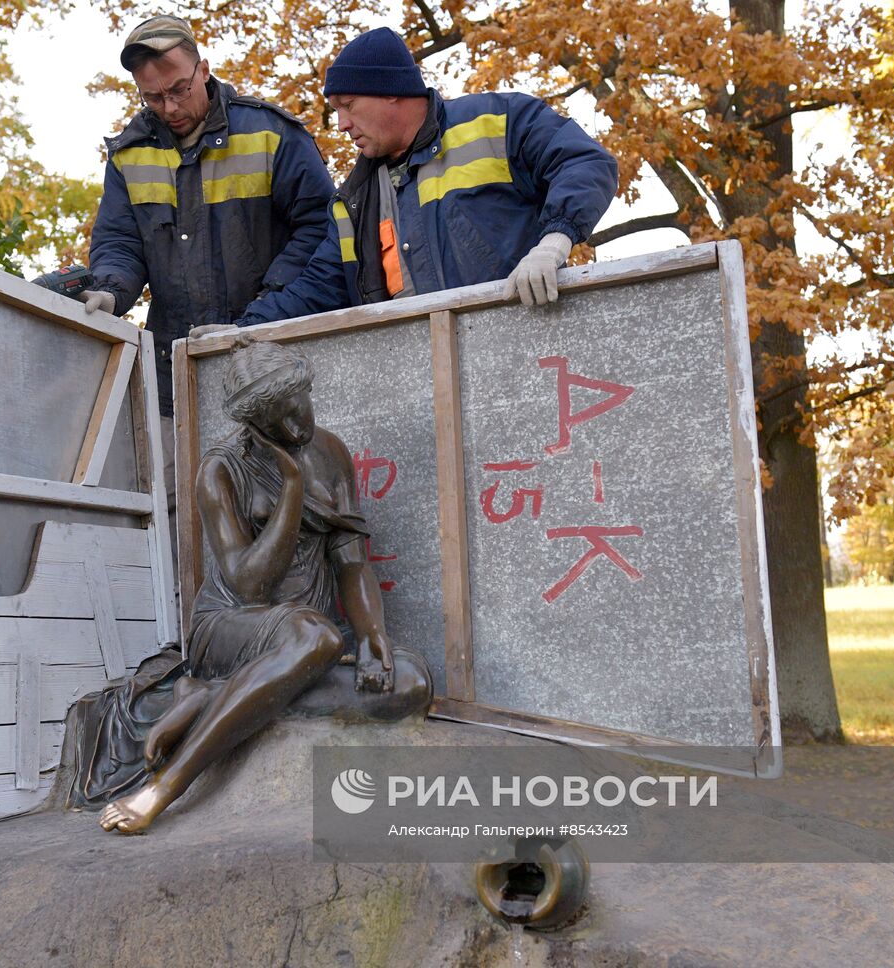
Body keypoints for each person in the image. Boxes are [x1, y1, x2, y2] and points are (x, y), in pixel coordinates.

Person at [96, 338, 431, 833]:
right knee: (315, 636)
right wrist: (291, 488)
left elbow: (352, 561)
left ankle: (211, 699)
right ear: (252, 424)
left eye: (300, 408)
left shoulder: (333, 453)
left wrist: (371, 634)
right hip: (234, 625)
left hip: (305, 637)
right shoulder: (220, 470)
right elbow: (250, 583)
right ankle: (166, 785)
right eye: (279, 420)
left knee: (410, 682)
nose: (297, 427)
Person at [231, 26, 618, 327]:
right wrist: (239, 332)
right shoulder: (354, 199)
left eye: (348, 105)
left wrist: (554, 242)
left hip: (524, 342)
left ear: (391, 92)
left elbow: (586, 163)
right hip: (422, 377)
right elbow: (318, 287)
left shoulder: (498, 121)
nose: (342, 124)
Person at [69, 14, 335, 432]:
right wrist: (110, 290)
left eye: (179, 90)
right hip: (173, 374)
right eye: (153, 98)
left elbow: (322, 229)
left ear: (203, 70)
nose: (170, 108)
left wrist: (266, 310)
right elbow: (120, 241)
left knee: (278, 488)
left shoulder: (271, 133)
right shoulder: (128, 155)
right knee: (176, 494)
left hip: (272, 362)